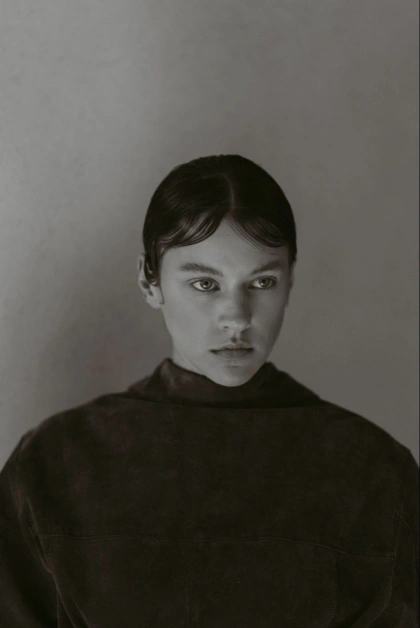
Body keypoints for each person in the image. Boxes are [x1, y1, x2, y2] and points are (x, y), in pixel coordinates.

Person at [0, 154, 418, 626]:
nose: (236, 317)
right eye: (204, 283)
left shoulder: (374, 473)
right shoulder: (53, 465)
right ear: (149, 281)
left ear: (290, 282)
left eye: (262, 281)